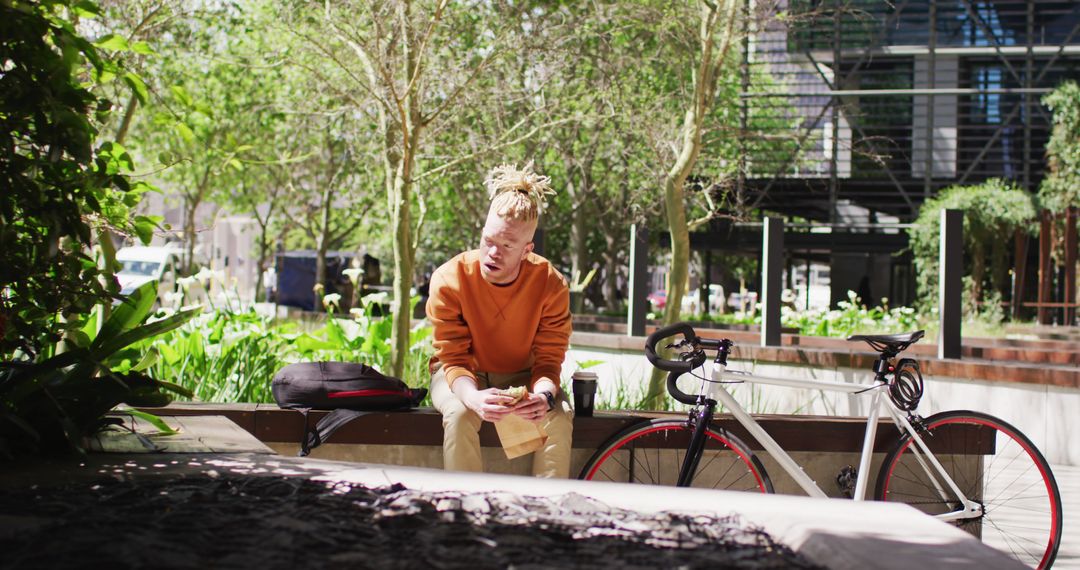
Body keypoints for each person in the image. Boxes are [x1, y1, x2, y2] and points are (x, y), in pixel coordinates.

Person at [426, 162, 573, 478]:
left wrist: (543, 397)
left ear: (527, 250)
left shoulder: (550, 284)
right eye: (488, 240)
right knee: (460, 414)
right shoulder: (449, 279)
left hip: (521, 375)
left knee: (558, 416)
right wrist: (473, 397)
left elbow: (549, 362)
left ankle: (547, 504)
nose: (493, 253)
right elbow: (453, 359)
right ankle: (463, 503)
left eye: (507, 246)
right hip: (460, 375)